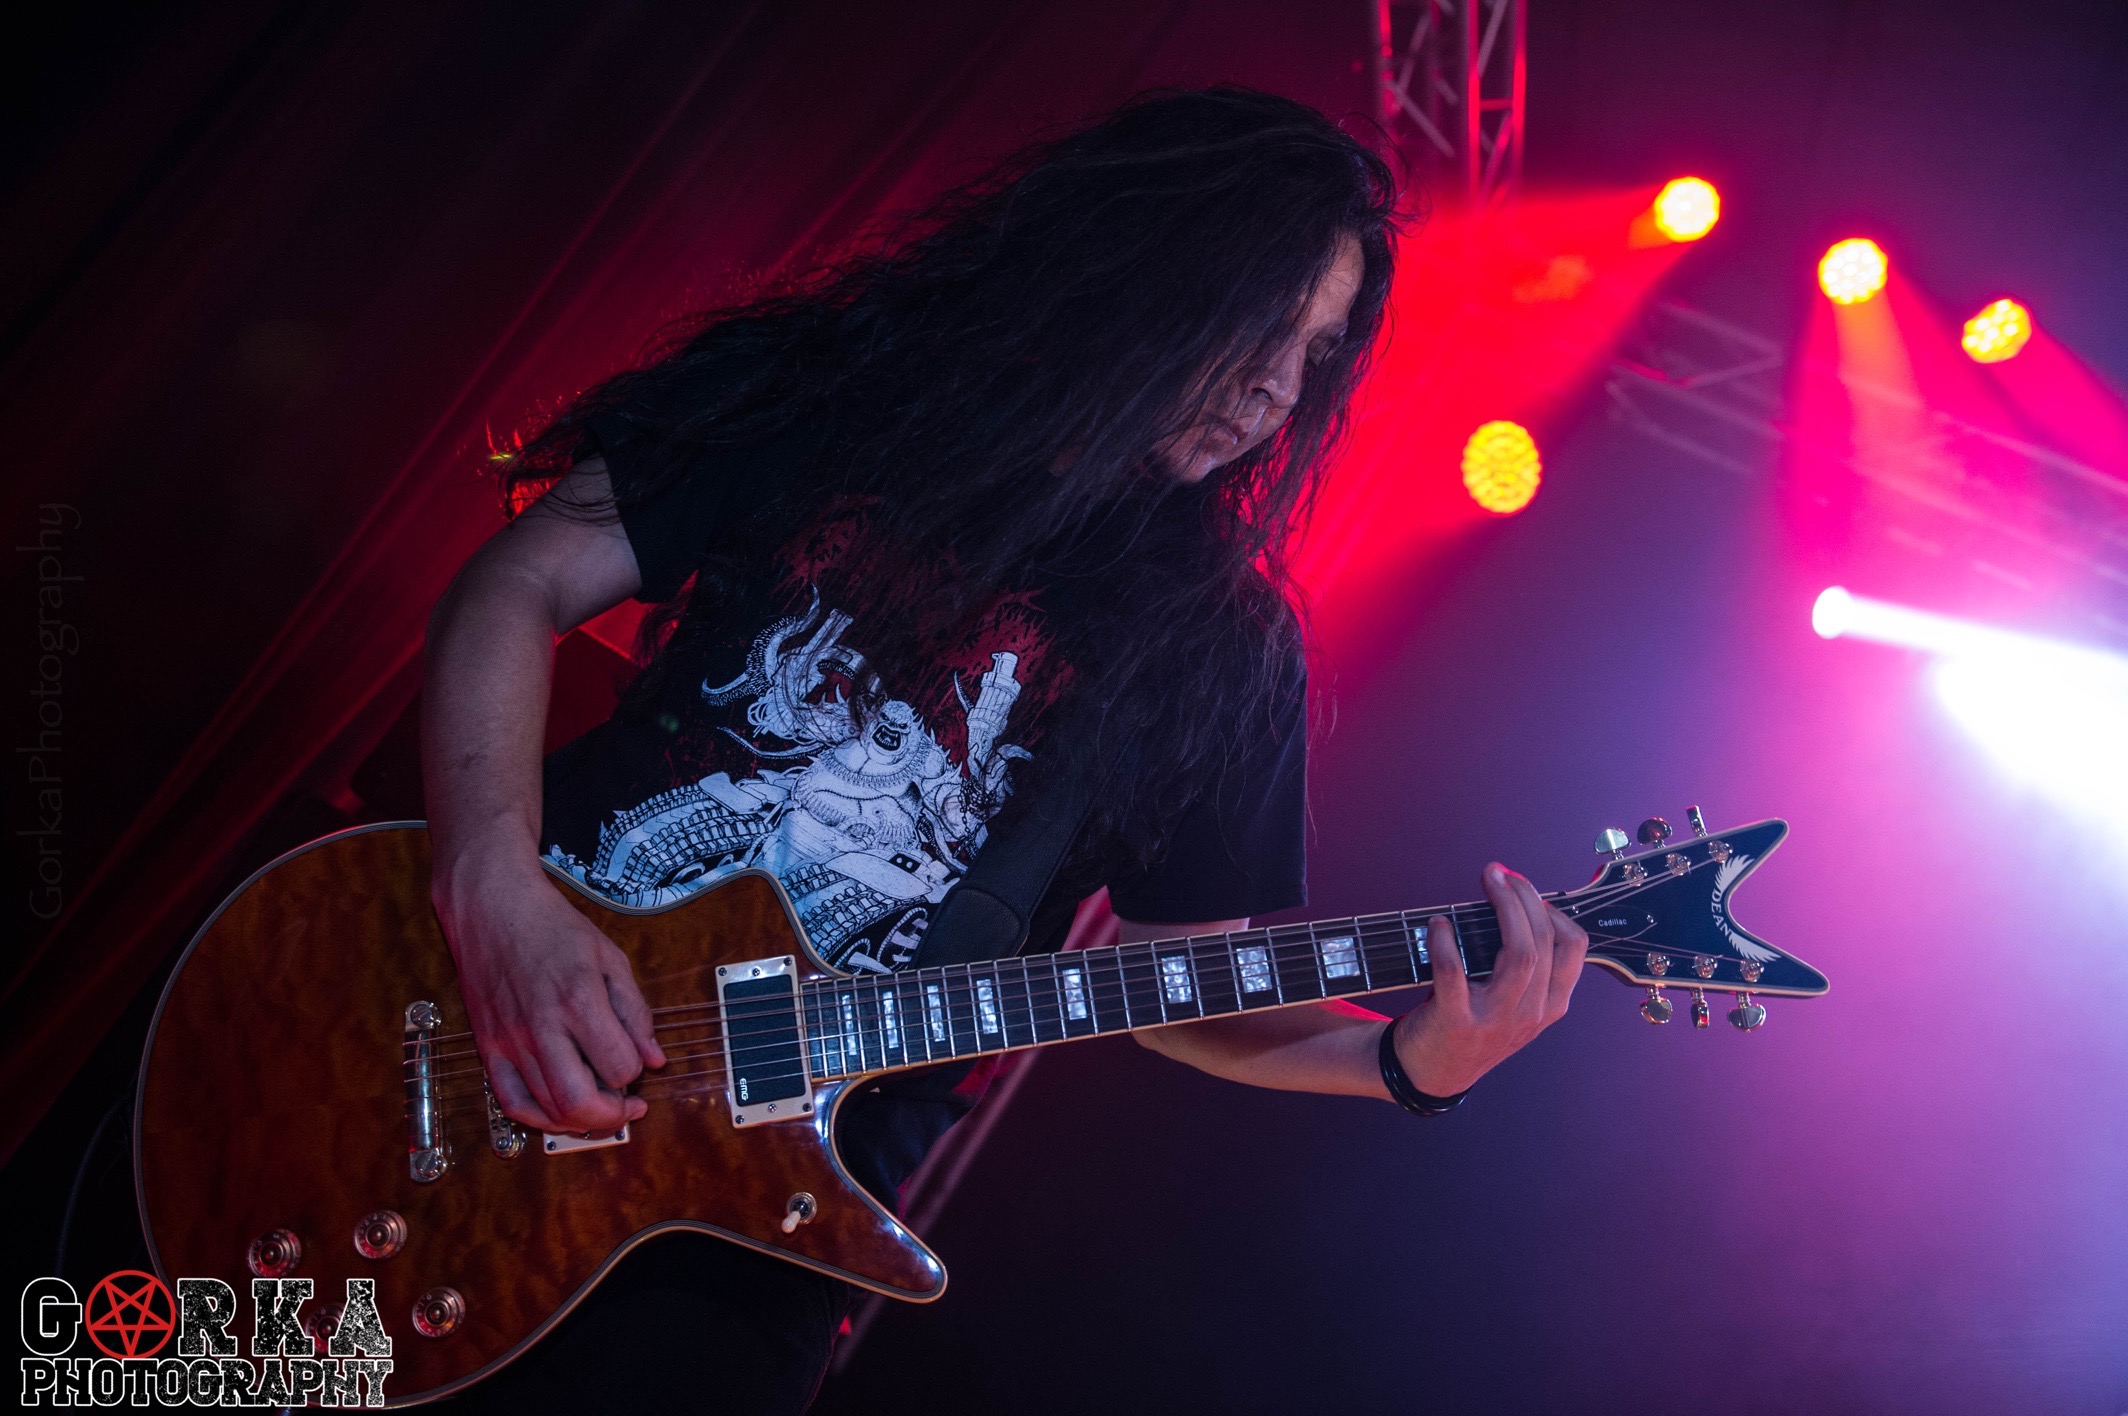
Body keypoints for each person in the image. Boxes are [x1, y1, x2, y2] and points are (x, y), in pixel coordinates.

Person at [421, 87, 1588, 1413]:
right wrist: (492, 884)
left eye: (1314, 355)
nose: (1276, 388)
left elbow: (1185, 987)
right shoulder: (835, 388)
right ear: (1138, 255)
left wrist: (1410, 1066)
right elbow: (515, 583)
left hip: (741, 1246)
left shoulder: (1224, 645)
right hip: (472, 1021)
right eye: (1261, 324)